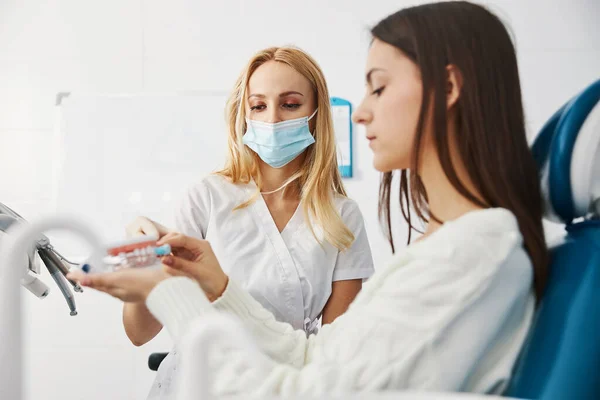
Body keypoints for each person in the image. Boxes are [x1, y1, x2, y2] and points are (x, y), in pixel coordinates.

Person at [69, 1, 549, 396]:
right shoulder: (446, 243)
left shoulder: (471, 251)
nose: (360, 112)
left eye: (379, 87)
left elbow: (304, 390)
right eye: (258, 106)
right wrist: (215, 286)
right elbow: (314, 358)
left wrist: (168, 292)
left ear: (448, 87)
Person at [122, 46, 374, 398]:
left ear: (316, 114)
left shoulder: (341, 216)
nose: (271, 120)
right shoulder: (207, 198)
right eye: (258, 105)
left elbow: (338, 350)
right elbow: (139, 332)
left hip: (285, 384)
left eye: (290, 104)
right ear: (243, 113)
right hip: (197, 384)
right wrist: (144, 260)